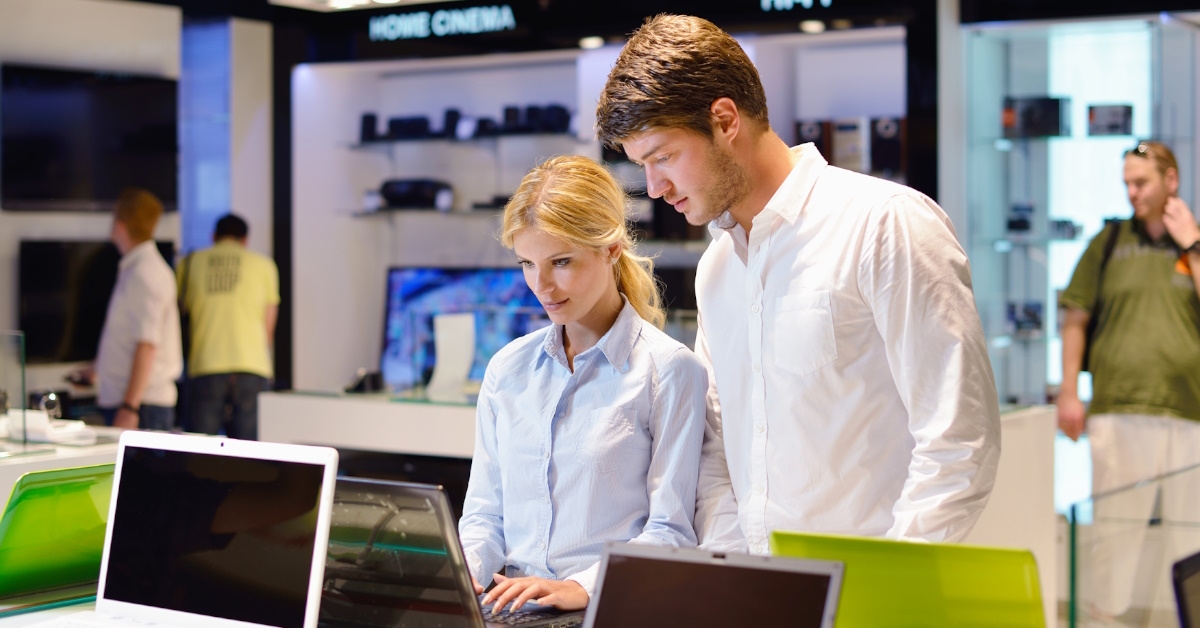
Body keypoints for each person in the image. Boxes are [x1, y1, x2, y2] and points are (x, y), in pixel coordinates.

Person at [596, 14, 1001, 553]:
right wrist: (738, 573)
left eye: (663, 157)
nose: (653, 187)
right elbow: (716, 452)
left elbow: (958, 440)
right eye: (642, 166)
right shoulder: (718, 268)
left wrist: (887, 586)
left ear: (724, 120)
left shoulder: (884, 224)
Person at [457, 155, 708, 613]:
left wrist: (583, 587)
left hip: (607, 610)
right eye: (527, 264)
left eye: (561, 262)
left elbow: (670, 532)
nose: (542, 285)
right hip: (507, 613)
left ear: (611, 248)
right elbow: (484, 514)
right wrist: (461, 575)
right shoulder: (507, 369)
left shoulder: (668, 371)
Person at [1057, 141, 1200, 620]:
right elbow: (1075, 317)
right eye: (1127, 184)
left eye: (1141, 183)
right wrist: (1069, 393)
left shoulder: (1196, 243)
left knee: (1190, 539)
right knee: (1115, 539)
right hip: (1117, 411)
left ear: (1171, 182)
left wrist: (1192, 244)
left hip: (1187, 412)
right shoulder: (1109, 241)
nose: (1132, 193)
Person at [76, 187, 182, 430]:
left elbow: (147, 344)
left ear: (121, 224)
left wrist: (129, 407)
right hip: (137, 404)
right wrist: (97, 368)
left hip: (143, 407)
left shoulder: (145, 273)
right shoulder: (137, 269)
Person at [177, 214, 280, 440]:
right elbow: (268, 326)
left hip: (205, 364)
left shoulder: (191, 262)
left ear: (214, 236)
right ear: (245, 240)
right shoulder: (264, 265)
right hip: (252, 365)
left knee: (200, 452)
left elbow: (179, 311)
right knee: (249, 454)